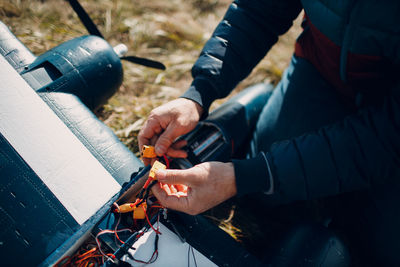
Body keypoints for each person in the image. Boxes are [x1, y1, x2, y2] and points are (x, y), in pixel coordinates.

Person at [138, 0, 400, 265]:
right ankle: (255, 108)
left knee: (384, 249)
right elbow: (257, 11)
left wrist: (247, 175)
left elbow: (386, 139)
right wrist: (197, 95)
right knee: (264, 195)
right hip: (322, 73)